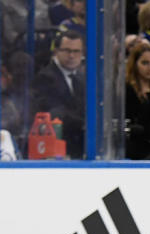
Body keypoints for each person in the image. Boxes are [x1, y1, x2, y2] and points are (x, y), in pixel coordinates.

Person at [34, 30, 87, 159]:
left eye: (76, 51)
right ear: (56, 51)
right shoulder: (45, 78)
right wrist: (86, 124)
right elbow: (57, 113)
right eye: (67, 50)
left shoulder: (81, 78)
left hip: (79, 148)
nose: (72, 56)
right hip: (56, 150)